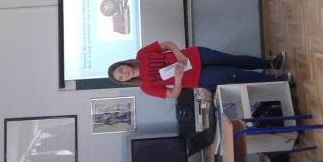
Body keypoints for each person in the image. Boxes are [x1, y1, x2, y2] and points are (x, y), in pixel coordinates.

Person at [108, 40, 289, 99]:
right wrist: (178, 78)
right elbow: (173, 94)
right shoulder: (145, 87)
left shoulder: (142, 54)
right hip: (199, 77)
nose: (124, 74)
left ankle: (271, 64)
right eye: (121, 77)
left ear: (123, 64)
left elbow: (167, 44)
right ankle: (278, 82)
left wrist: (178, 53)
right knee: (235, 74)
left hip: (196, 55)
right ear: (125, 81)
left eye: (121, 70)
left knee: (234, 60)